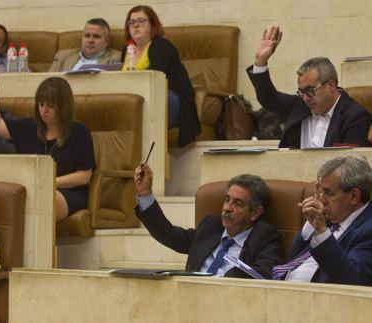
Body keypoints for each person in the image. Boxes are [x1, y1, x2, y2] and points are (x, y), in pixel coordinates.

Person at [0, 67, 96, 221]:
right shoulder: (29, 127)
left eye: (50, 106)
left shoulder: (80, 132)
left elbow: (83, 177)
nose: (44, 111)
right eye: (41, 104)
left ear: (63, 107)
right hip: (33, 190)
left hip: (68, 192)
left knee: (44, 199)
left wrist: (48, 183)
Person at [134, 164, 282, 278]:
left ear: (255, 212)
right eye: (227, 200)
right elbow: (168, 234)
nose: (227, 208)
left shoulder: (265, 237)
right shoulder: (211, 226)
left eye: (238, 203)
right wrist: (145, 194)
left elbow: (262, 274)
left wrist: (219, 282)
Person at [247, 26, 371, 148]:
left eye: (310, 91)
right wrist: (260, 61)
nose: (305, 98)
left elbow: (350, 164)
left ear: (330, 85)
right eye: (301, 92)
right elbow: (268, 97)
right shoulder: (299, 106)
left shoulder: (355, 116)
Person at [272, 155, 372, 285]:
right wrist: (311, 224)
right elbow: (292, 260)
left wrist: (321, 231)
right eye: (320, 191)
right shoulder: (330, 218)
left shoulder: (368, 230)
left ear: (354, 196)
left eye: (329, 193)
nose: (321, 200)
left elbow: (352, 279)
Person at [121, 5, 200, 147]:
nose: (136, 25)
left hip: (171, 99)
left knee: (151, 99)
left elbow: (155, 80)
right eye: (131, 22)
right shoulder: (126, 50)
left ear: (152, 25)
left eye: (141, 21)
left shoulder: (161, 46)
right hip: (138, 100)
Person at [48, 18, 121, 72]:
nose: (90, 40)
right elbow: (46, 82)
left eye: (96, 36)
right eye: (87, 35)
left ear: (106, 41)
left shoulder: (117, 58)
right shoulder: (62, 56)